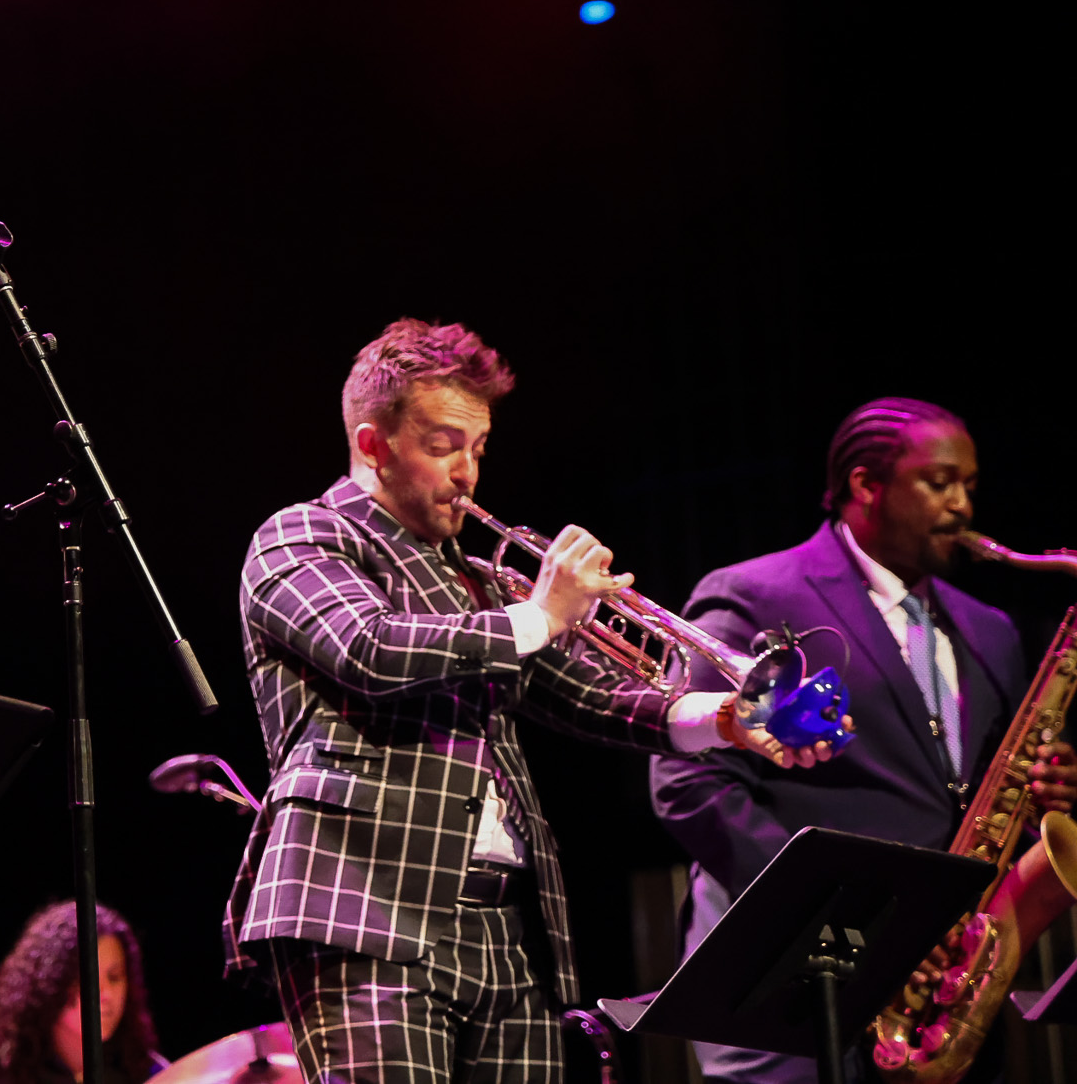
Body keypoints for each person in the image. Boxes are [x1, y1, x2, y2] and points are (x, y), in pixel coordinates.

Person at [224, 319, 844, 1084]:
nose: (468, 474)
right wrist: (543, 614)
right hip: (365, 904)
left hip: (506, 922)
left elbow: (594, 696)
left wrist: (725, 719)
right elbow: (369, 647)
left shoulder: (482, 581)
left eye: (478, 448)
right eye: (445, 444)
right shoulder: (301, 536)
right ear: (373, 443)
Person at [650, 398, 1077, 1082]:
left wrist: (1042, 792)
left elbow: (982, 796)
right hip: (796, 986)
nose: (963, 504)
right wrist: (849, 918)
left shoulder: (990, 626)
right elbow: (688, 784)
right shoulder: (753, 595)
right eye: (939, 482)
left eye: (969, 484)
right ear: (864, 484)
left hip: (936, 993)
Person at [0, 901, 166, 1084]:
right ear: (51, 982)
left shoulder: (150, 1073)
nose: (105, 993)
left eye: (115, 977)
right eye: (87, 977)